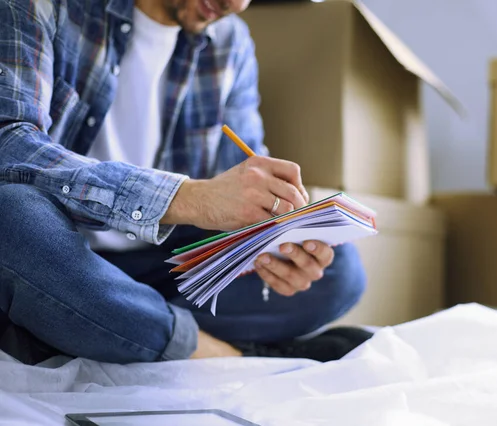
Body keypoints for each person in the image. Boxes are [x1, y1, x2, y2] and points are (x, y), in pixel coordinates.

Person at [0, 0, 370, 365]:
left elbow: (244, 177)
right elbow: (9, 143)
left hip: (161, 266)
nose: (235, 4)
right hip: (65, 255)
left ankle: (103, 329)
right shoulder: (44, 6)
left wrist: (275, 236)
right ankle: (221, 355)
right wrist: (188, 197)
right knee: (11, 219)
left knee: (339, 270)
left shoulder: (229, 40)